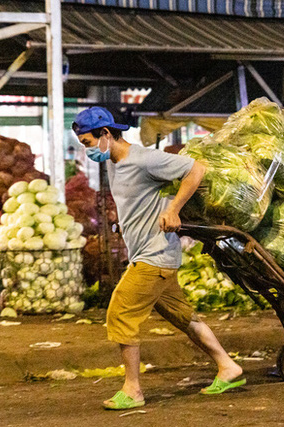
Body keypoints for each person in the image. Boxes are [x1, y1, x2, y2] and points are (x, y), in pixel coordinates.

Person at [72, 107, 245, 410]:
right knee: (184, 318)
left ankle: (133, 389)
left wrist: (173, 209)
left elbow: (196, 169)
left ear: (106, 134)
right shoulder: (114, 162)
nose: (87, 150)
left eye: (87, 142)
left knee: (120, 313)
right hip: (150, 253)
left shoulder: (144, 159)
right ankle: (228, 367)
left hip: (155, 255)